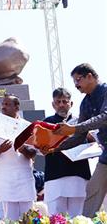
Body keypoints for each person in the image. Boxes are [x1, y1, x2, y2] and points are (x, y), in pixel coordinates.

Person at [54, 63, 107, 217]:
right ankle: (87, 220)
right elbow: (79, 136)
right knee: (93, 189)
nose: (76, 85)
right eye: (75, 82)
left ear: (89, 76)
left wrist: (74, 128)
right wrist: (54, 148)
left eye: (78, 80)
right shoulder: (85, 103)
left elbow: (104, 117)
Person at [42, 88, 90, 216]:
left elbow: (92, 140)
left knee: (79, 218)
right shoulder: (46, 123)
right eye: (58, 102)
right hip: (55, 176)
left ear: (71, 104)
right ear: (53, 104)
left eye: (65, 101)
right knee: (57, 217)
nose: (62, 105)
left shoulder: (81, 122)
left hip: (79, 175)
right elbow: (40, 147)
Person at [0, 94, 36, 220]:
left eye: (7, 104)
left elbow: (34, 153)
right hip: (5, 179)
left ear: (17, 107)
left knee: (28, 217)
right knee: (10, 218)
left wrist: (22, 149)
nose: (3, 107)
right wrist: (1, 149)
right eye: (3, 104)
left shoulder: (27, 126)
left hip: (24, 178)